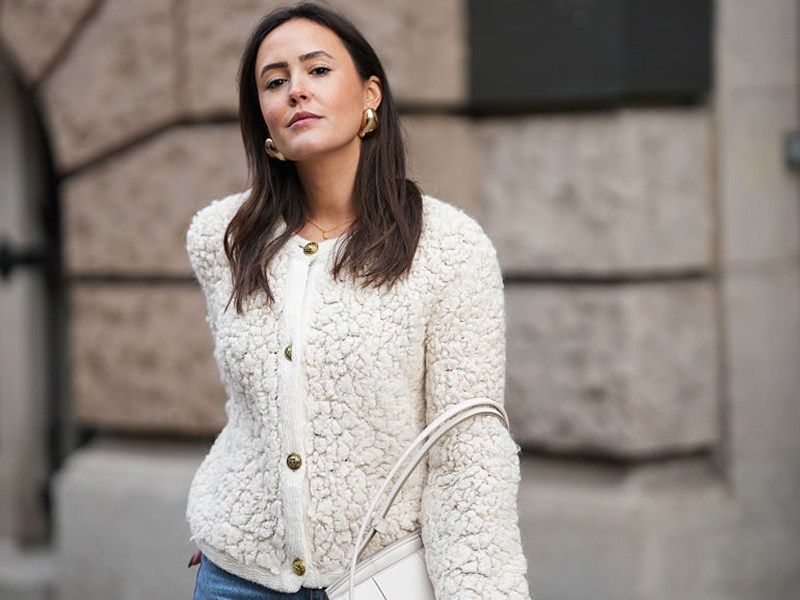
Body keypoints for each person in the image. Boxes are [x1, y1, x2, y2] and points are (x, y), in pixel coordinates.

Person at [185, 3, 531, 599]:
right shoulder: (224, 238)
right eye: (274, 81)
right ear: (263, 118)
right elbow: (251, 407)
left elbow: (468, 454)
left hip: (378, 578)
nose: (296, 91)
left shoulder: (448, 248)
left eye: (317, 71)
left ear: (370, 94)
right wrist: (238, 516)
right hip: (237, 580)